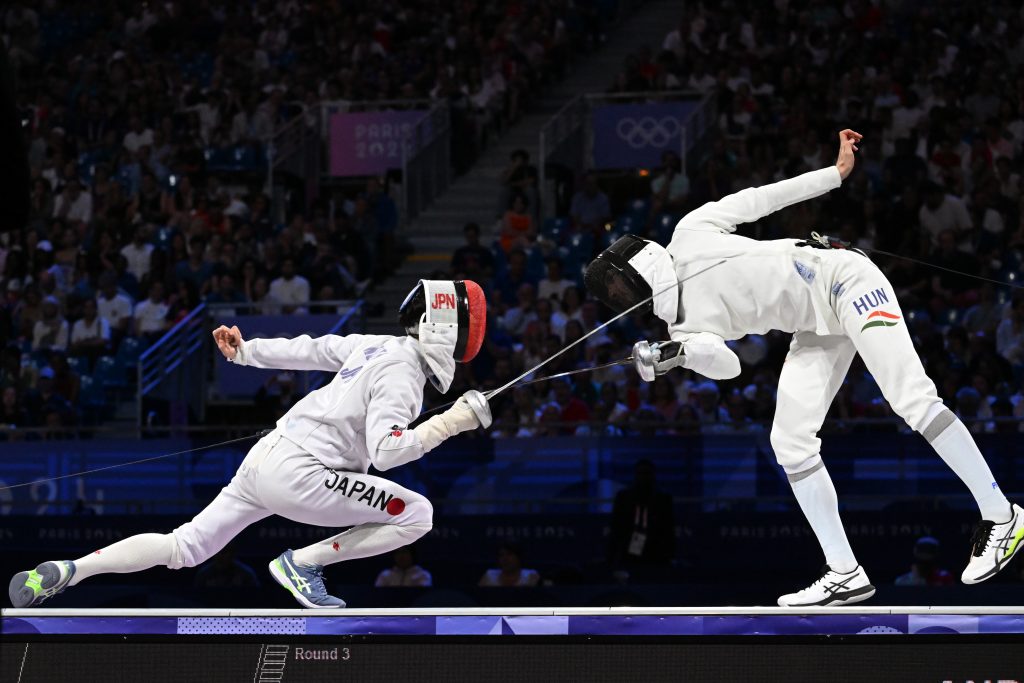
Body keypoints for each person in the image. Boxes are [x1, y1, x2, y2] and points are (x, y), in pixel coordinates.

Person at [584, 129, 1024, 607]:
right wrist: (680, 356)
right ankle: (844, 571)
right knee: (789, 443)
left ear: (636, 266)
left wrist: (834, 175)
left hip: (844, 279)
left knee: (912, 399)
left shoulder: (690, 231)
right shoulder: (682, 327)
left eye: (619, 289)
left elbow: (762, 199)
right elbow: (728, 366)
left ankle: (1002, 516)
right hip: (816, 326)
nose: (621, 299)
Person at [9, 279, 490, 609]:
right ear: (443, 330)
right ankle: (303, 564)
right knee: (418, 514)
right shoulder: (405, 373)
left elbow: (313, 347)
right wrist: (453, 422)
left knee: (186, 545)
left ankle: (69, 570)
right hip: (304, 473)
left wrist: (246, 352)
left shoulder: (377, 345)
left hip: (266, 458)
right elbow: (386, 452)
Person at [608, 459, 675, 571]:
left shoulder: (663, 500)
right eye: (641, 474)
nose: (644, 477)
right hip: (630, 549)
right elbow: (616, 526)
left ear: (653, 475)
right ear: (636, 475)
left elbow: (668, 528)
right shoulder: (624, 498)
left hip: (656, 549)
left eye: (647, 473)